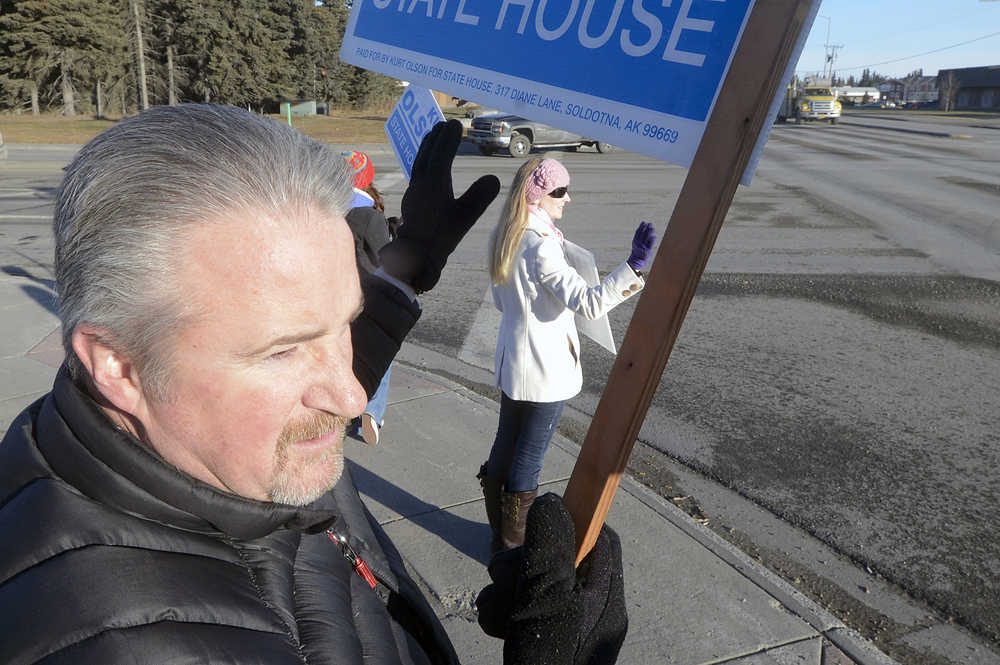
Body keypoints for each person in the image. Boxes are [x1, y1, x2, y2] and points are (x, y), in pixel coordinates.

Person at [0, 105, 628, 665]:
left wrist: (400, 273)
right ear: (119, 364)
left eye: (345, 324)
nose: (350, 396)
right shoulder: (128, 644)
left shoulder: (202, 433)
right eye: (283, 352)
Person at [480, 157, 656, 554]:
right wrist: (632, 269)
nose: (568, 198)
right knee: (528, 459)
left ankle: (500, 540)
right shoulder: (542, 247)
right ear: (538, 197)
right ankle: (512, 552)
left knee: (506, 446)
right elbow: (590, 305)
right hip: (545, 370)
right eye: (560, 191)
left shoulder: (504, 234)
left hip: (513, 363)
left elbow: (499, 301)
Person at [344, 149, 393, 445]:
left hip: (333, 298)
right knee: (380, 353)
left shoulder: (325, 208)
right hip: (367, 297)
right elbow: (383, 262)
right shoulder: (369, 216)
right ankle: (371, 411)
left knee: (344, 353)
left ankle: (344, 409)